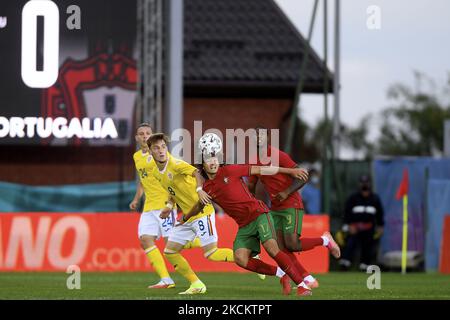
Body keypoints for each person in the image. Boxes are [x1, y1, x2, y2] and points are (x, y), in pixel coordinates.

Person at [185, 149, 338, 296]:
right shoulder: (207, 188)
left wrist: (290, 171)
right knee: (240, 258)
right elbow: (199, 205)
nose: (213, 162)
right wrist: (184, 219)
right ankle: (281, 273)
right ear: (202, 165)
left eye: (215, 158)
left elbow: (261, 169)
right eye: (208, 160)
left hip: (259, 214)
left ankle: (302, 285)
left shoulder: (230, 170)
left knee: (273, 249)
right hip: (244, 225)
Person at [247, 127, 340, 289]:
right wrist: (252, 202)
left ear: (268, 138)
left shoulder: (279, 156)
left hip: (291, 204)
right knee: (279, 249)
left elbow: (303, 176)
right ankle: (307, 278)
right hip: (274, 208)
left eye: (261, 135)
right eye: (255, 136)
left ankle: (325, 240)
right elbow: (252, 184)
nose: (258, 138)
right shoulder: (254, 160)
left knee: (292, 244)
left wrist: (285, 192)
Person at [147, 133, 235, 295]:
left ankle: (247, 258)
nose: (161, 151)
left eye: (163, 147)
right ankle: (196, 284)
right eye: (156, 148)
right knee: (170, 251)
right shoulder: (155, 171)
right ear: (150, 151)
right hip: (187, 217)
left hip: (201, 211)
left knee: (212, 254)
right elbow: (172, 190)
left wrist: (200, 190)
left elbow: (197, 173)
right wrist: (168, 205)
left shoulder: (176, 164)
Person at [129, 123, 201, 289]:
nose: (144, 135)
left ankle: (202, 240)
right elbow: (143, 179)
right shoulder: (137, 157)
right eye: (141, 133)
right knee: (145, 239)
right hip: (148, 206)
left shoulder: (160, 153)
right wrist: (136, 198)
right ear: (137, 138)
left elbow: (171, 174)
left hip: (163, 205)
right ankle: (166, 280)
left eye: (148, 133)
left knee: (172, 245)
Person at [339, 174, 385, 271]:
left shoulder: (375, 198)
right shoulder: (353, 198)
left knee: (368, 247)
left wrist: (380, 226)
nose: (364, 185)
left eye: (366, 183)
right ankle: (345, 264)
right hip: (354, 228)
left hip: (369, 228)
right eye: (362, 183)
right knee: (350, 245)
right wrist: (349, 225)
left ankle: (365, 265)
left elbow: (380, 214)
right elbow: (346, 213)